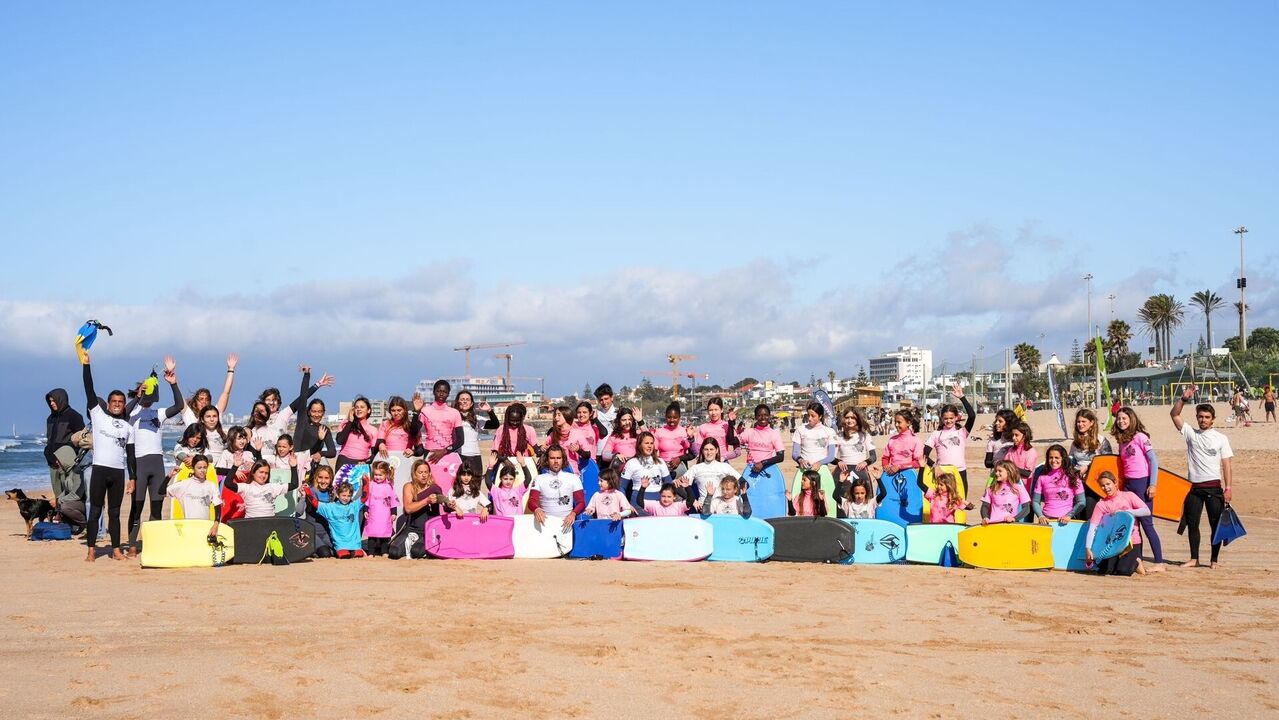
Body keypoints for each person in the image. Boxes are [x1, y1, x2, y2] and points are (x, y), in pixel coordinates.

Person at [79, 350, 138, 562]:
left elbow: (130, 455)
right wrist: (86, 366)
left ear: (123, 404)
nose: (116, 403)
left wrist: (132, 477)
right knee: (95, 511)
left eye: (120, 401)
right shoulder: (98, 416)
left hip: (117, 472)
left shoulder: (127, 427)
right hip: (100, 470)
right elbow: (89, 389)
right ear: (108, 403)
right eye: (113, 401)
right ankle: (92, 550)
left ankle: (115, 550)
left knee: (114, 513)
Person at [124, 357, 184, 555]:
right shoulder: (131, 416)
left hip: (157, 464)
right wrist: (138, 397)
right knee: (137, 507)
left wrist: (173, 383)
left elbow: (178, 405)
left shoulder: (158, 414)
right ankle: (132, 545)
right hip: (139, 465)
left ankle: (151, 545)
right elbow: (122, 415)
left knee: (157, 508)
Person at [1171, 385, 1235, 568]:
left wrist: (1228, 488)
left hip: (1214, 487)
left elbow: (1227, 464)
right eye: (1200, 416)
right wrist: (1184, 399)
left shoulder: (1221, 438)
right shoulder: (1191, 434)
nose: (1203, 420)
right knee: (1193, 524)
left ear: (1213, 419)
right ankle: (1194, 559)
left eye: (1207, 417)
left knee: (1216, 525)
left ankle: (1214, 560)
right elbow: (1174, 415)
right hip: (1194, 487)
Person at [1111, 406, 1163, 564]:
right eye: (1119, 419)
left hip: (1142, 483)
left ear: (1131, 419)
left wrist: (1152, 484)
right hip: (1128, 484)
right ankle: (1137, 559)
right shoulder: (1121, 441)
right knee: (1131, 523)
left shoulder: (1141, 437)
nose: (1121, 421)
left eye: (1124, 418)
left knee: (1147, 524)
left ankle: (1159, 562)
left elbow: (1153, 461)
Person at [1086, 471, 1157, 576]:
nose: (1106, 488)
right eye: (1102, 486)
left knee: (1123, 571)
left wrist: (1126, 512)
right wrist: (1088, 548)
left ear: (1115, 483)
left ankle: (1137, 562)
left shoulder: (1128, 496)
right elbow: (1093, 527)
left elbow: (1146, 511)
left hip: (1131, 542)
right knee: (1106, 570)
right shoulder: (1101, 505)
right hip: (1112, 543)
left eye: (1108, 484)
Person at [411, 380, 465, 483]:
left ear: (448, 393)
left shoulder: (454, 413)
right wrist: (416, 412)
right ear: (434, 392)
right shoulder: (425, 411)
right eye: (438, 391)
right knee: (429, 487)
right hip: (430, 454)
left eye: (444, 392)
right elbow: (413, 432)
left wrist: (444, 451)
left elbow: (460, 440)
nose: (441, 393)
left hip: (448, 454)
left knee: (449, 486)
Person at [924, 385, 976, 489]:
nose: (948, 421)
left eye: (951, 418)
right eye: (946, 418)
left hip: (960, 472)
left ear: (956, 417)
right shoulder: (936, 434)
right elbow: (924, 454)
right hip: (942, 473)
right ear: (941, 418)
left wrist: (962, 397)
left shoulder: (962, 432)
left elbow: (972, 416)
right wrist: (935, 466)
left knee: (960, 504)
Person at [43, 387, 85, 515]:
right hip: (52, 464)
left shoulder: (74, 416)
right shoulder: (50, 418)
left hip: (68, 464)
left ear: (61, 399)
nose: (52, 403)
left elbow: (82, 439)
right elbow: (50, 439)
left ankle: (75, 521)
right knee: (57, 494)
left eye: (54, 400)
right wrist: (47, 452)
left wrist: (69, 454)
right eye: (50, 401)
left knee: (70, 493)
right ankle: (61, 520)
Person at [1069, 408, 1113, 518]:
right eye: (1078, 422)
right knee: (1077, 516)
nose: (1080, 424)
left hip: (1094, 485)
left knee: (1089, 514)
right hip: (1078, 483)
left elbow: (1107, 462)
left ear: (1091, 423)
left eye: (1084, 421)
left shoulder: (1101, 441)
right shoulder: (1075, 442)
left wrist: (1088, 468)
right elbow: (1070, 461)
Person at [164, 454, 222, 536]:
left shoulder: (211, 485)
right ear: (193, 468)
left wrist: (216, 524)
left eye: (205, 467)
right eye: (199, 468)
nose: (202, 470)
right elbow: (161, 492)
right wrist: (169, 476)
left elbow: (218, 506)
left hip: (205, 528)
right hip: (189, 529)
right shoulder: (184, 484)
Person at [304, 481, 365, 559]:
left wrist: (365, 482)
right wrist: (307, 490)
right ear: (337, 494)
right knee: (344, 555)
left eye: (349, 496)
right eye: (343, 495)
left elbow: (364, 497)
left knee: (358, 555)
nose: (346, 498)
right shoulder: (330, 508)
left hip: (355, 544)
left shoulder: (354, 506)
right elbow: (315, 503)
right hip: (340, 545)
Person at [528, 447, 585, 529]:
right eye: (552, 458)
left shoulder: (573, 478)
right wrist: (537, 509)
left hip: (566, 524)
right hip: (545, 524)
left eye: (558, 458)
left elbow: (581, 503)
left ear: (563, 459)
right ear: (547, 460)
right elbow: (531, 501)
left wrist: (573, 514)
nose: (555, 461)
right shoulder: (539, 479)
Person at [178, 353, 238, 427]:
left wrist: (231, 370)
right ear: (195, 403)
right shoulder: (190, 417)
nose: (204, 401)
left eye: (207, 399)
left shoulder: (215, 414)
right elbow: (179, 397)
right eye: (201, 399)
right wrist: (173, 382)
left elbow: (226, 392)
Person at [682, 438, 741, 513]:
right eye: (706, 449)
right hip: (703, 509)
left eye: (711, 449)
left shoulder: (724, 466)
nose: (709, 452)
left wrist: (731, 499)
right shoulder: (696, 468)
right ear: (702, 451)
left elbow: (744, 484)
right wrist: (693, 501)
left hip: (721, 510)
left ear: (716, 450)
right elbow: (680, 486)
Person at [1031, 444, 1085, 523]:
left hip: (1066, 522)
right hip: (1046, 521)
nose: (1053, 461)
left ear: (1063, 459)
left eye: (1057, 458)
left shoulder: (1073, 477)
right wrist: (1040, 516)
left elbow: (1082, 502)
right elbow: (1035, 501)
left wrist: (1069, 515)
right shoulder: (1042, 478)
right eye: (1050, 457)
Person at [832, 408, 877, 501]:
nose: (849, 420)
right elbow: (832, 457)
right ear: (843, 419)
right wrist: (838, 461)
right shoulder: (838, 436)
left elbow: (873, 456)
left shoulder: (865, 436)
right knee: (841, 503)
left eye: (853, 417)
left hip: (861, 472)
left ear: (858, 419)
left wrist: (865, 462)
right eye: (847, 417)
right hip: (843, 473)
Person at [230, 460, 298, 519]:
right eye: (261, 472)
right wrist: (235, 466)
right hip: (251, 524)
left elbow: (294, 485)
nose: (263, 475)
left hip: (269, 524)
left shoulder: (272, 487)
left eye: (266, 473)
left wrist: (293, 467)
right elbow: (228, 483)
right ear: (253, 473)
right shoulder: (246, 487)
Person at [454, 391, 499, 478]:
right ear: (457, 402)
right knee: (459, 486)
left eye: (467, 400)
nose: (464, 401)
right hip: (459, 455)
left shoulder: (476, 418)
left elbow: (495, 424)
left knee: (475, 486)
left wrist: (489, 410)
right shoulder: (453, 417)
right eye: (462, 399)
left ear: (471, 404)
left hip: (475, 456)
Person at [621, 432, 672, 508]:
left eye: (651, 443)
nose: (649, 446)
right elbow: (622, 487)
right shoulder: (631, 463)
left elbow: (669, 484)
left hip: (659, 502)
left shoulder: (660, 462)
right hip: (638, 502)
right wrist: (625, 505)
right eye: (646, 443)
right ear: (639, 445)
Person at [362, 461, 398, 557]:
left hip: (385, 513)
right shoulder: (371, 484)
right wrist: (365, 510)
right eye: (376, 475)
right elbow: (367, 499)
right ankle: (371, 552)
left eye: (380, 475)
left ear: (386, 474)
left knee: (384, 534)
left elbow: (393, 499)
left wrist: (394, 512)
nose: (377, 477)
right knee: (372, 534)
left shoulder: (389, 486)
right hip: (373, 512)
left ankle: (384, 551)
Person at [690, 397, 740, 463]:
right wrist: (691, 438)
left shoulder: (727, 426)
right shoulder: (703, 427)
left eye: (716, 409)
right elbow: (698, 450)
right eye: (711, 410)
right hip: (707, 463)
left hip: (723, 463)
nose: (713, 413)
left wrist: (724, 457)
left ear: (721, 410)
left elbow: (738, 451)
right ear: (707, 411)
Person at [980, 461, 1030, 525]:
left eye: (1000, 471)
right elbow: (985, 506)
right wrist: (985, 517)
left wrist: (1014, 518)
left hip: (1010, 525)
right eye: (996, 471)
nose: (996, 473)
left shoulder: (1019, 488)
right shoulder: (991, 489)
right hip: (993, 525)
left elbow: (1026, 508)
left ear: (1009, 472)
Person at [335, 396, 377, 472]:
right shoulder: (345, 424)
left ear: (368, 410)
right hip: (343, 462)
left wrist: (366, 462)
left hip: (361, 464)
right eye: (356, 407)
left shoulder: (373, 430)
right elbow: (340, 441)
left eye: (362, 407)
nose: (359, 409)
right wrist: (350, 421)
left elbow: (375, 454)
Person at [295, 399, 337, 469]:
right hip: (298, 464)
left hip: (312, 466)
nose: (316, 415)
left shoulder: (324, 429)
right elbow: (303, 398)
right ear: (309, 412)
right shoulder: (302, 425)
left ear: (323, 413)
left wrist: (320, 453)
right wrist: (316, 387)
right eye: (314, 411)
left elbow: (332, 452)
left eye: (319, 412)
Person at [653, 402, 692, 477]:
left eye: (675, 417)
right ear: (665, 417)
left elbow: (692, 454)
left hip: (681, 467)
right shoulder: (659, 432)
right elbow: (653, 453)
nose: (672, 420)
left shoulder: (685, 431)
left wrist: (679, 459)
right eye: (669, 417)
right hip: (663, 468)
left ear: (679, 417)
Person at [593, 384, 620, 456]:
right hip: (599, 454)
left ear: (612, 398)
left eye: (606, 399)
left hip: (615, 454)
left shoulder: (619, 413)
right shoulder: (595, 414)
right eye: (601, 400)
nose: (604, 402)